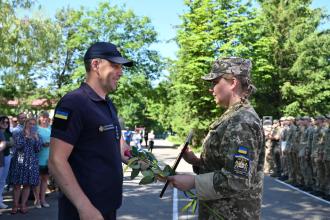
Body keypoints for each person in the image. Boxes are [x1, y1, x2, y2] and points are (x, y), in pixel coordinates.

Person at [167, 57, 265, 219]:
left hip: (232, 214)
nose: (211, 89)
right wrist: (196, 162)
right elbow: (226, 165)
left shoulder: (242, 121)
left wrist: (193, 182)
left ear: (233, 83)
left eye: (215, 82)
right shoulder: (233, 117)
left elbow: (237, 179)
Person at [49, 41, 133, 220]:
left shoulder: (108, 105)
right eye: (115, 65)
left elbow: (117, 145)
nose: (121, 72)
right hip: (84, 212)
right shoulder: (73, 103)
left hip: (108, 206)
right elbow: (56, 161)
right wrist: (84, 207)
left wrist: (145, 164)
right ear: (96, 65)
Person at [7, 117, 41, 214]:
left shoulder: (36, 134)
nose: (32, 126)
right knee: (17, 185)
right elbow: (18, 146)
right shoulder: (19, 133)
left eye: (34, 124)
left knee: (27, 185)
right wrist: (26, 137)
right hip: (20, 160)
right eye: (30, 123)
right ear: (26, 123)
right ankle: (15, 205)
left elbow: (38, 149)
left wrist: (36, 138)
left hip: (31, 161)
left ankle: (23, 205)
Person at [33, 111, 51, 208]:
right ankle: (37, 200)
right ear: (39, 118)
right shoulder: (36, 128)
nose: (45, 119)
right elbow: (33, 141)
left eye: (46, 117)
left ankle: (43, 200)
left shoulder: (50, 128)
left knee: (45, 179)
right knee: (37, 180)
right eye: (43, 117)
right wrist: (41, 144)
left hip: (48, 157)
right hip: (38, 157)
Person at [0, 116, 14, 209]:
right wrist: (6, 143)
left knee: (3, 180)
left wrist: (5, 143)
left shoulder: (9, 132)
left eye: (7, 122)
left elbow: (12, 143)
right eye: (3, 122)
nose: (5, 123)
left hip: (7, 156)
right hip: (0, 157)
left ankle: (0, 200)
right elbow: (9, 143)